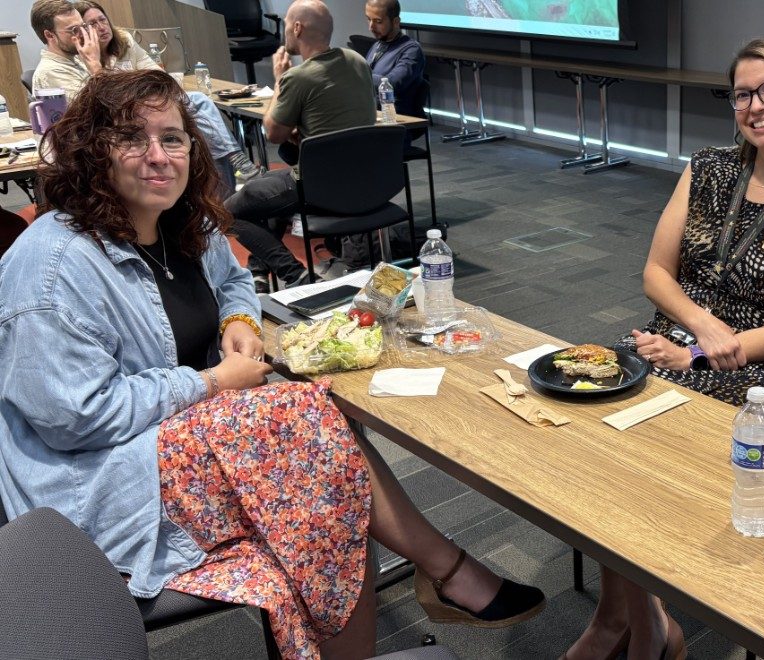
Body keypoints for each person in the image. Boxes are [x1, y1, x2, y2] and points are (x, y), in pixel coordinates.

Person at [0, 70, 544, 660]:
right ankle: (448, 568)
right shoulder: (54, 266)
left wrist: (240, 323)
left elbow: (234, 281)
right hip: (102, 478)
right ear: (93, 152)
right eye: (133, 138)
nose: (158, 157)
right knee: (306, 431)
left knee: (326, 473)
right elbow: (76, 418)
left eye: (173, 138)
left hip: (183, 440)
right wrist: (209, 381)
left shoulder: (183, 223)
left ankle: (439, 579)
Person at [569, 38, 764, 660]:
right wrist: (697, 330)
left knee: (646, 449)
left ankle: (635, 626)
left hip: (757, 374)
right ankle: (632, 619)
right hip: (672, 336)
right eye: (742, 94)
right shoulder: (706, 167)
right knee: (589, 435)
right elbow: (655, 273)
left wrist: (699, 355)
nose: (756, 105)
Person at [222, 0, 377, 288]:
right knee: (267, 193)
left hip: (319, 186)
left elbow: (273, 133)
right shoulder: (357, 61)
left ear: (297, 27)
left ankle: (294, 273)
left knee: (224, 212)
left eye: (285, 26)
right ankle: (258, 271)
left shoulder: (297, 76)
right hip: (367, 181)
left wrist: (280, 79)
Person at [29, 0, 255, 193]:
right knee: (193, 114)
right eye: (73, 30)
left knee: (197, 135)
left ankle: (225, 201)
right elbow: (101, 111)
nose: (84, 35)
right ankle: (228, 185)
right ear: (49, 35)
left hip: (129, 130)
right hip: (102, 148)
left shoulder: (80, 57)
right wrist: (96, 66)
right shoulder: (52, 72)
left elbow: (157, 77)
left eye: (82, 27)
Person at [365, 0, 428, 124]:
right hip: (372, 115)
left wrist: (358, 76)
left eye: (378, 21)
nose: (371, 27)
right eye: (368, 19)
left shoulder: (411, 50)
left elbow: (391, 84)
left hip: (396, 120)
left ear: (395, 22)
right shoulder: (378, 45)